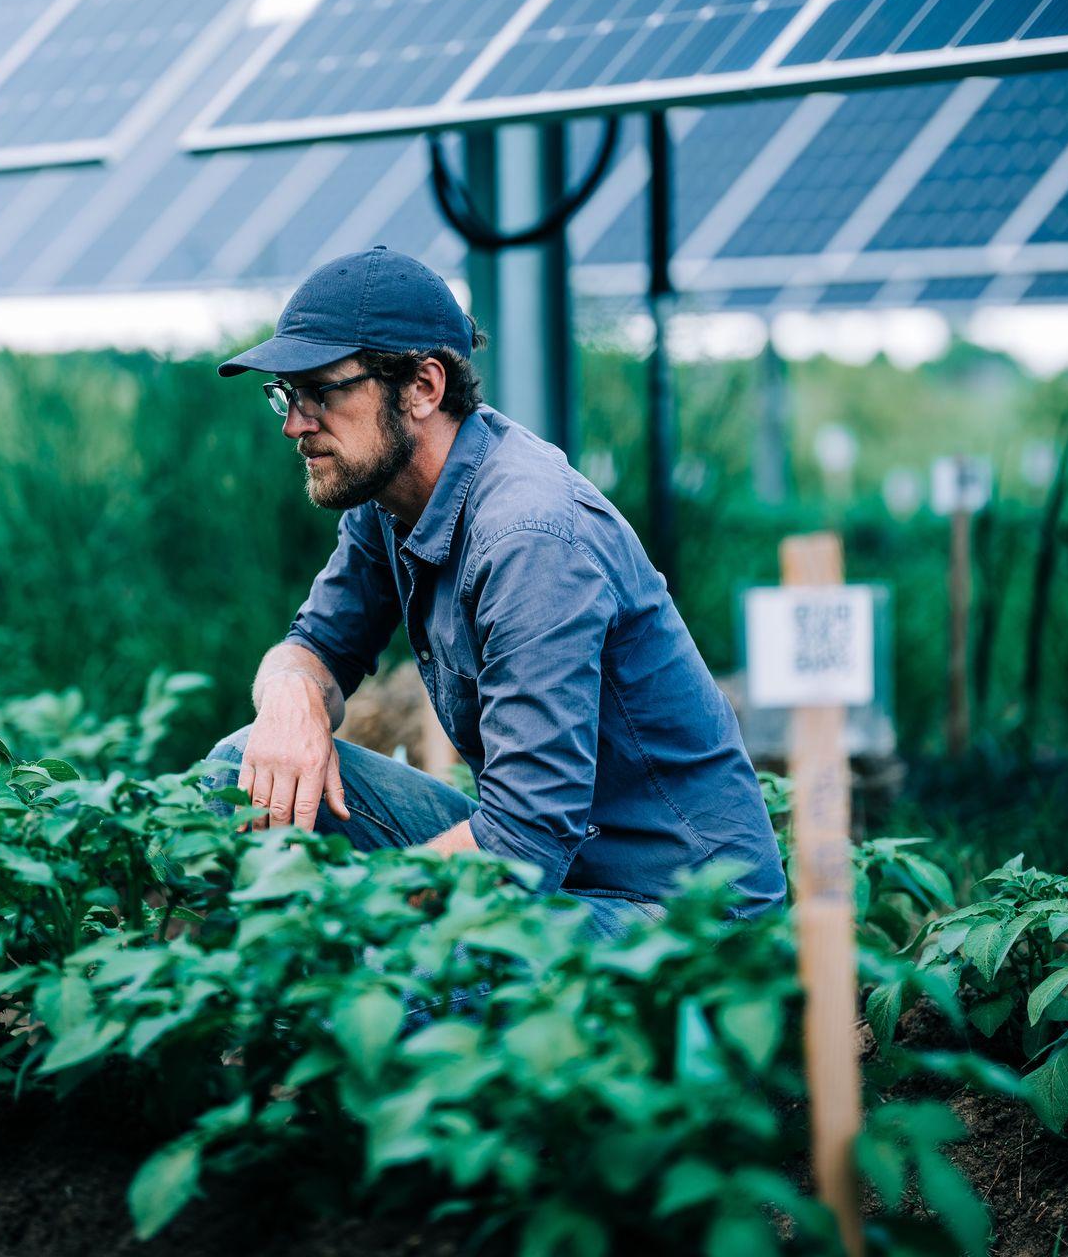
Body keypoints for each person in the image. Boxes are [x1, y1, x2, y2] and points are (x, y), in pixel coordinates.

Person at [204, 246, 785, 942]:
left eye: (321, 393)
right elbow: (317, 646)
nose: (294, 425)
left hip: (681, 909)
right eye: (286, 395)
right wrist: (294, 692)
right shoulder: (387, 497)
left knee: (383, 985)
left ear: (423, 387)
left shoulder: (529, 538)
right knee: (241, 769)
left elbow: (522, 845)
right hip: (564, 874)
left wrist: (345, 920)